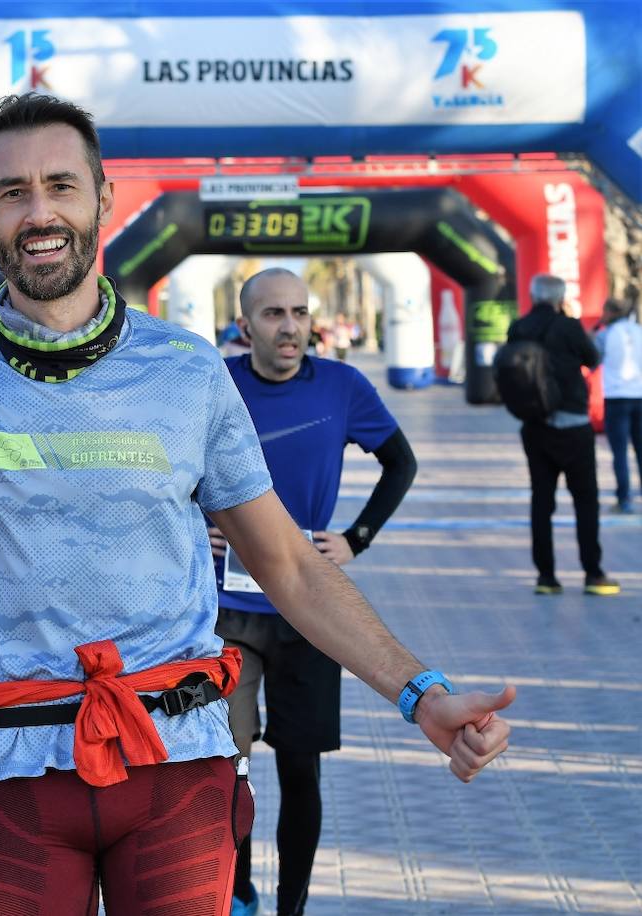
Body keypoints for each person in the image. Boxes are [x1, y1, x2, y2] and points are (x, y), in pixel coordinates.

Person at [0, 90, 515, 913]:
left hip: (177, 768)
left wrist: (421, 692)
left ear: (104, 199)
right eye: (12, 192)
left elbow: (289, 569)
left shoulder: (188, 370)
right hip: (22, 777)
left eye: (61, 185)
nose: (39, 210)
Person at [208, 268, 418, 916]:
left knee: (301, 771)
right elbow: (167, 469)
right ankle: (237, 895)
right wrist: (196, 527)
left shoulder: (343, 386)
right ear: (246, 327)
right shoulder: (215, 385)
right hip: (225, 615)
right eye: (274, 314)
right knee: (224, 770)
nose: (290, 326)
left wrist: (356, 538)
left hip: (309, 613)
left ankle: (290, 907)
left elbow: (400, 461)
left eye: (299, 312)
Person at [505, 275, 620, 596]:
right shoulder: (568, 327)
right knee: (585, 500)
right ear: (560, 297)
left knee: (541, 500)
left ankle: (546, 577)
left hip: (534, 425)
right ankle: (593, 573)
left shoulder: (518, 328)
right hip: (573, 426)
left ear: (531, 295)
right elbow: (593, 359)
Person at [597, 298, 642, 513]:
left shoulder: (606, 334)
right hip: (639, 395)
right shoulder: (638, 330)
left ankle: (624, 498)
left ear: (609, 312)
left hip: (616, 397)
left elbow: (591, 358)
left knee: (620, 452)